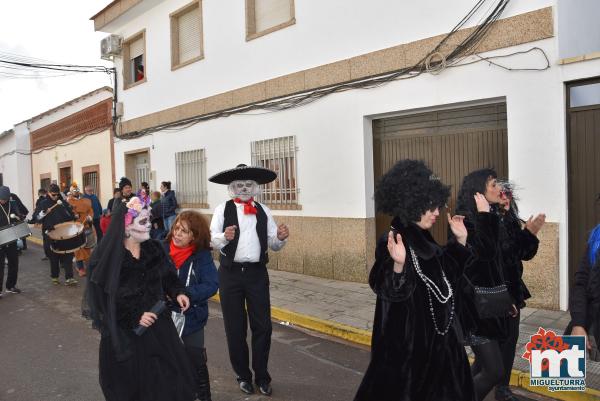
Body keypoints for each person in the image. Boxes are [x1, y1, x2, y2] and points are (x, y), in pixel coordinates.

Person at [354, 160, 475, 401]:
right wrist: (398, 265)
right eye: (431, 207)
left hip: (441, 347)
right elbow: (384, 287)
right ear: (413, 203)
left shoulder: (424, 239)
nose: (437, 213)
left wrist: (460, 242)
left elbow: (444, 277)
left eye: (437, 206)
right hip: (409, 353)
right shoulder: (393, 239)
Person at [83, 196, 196, 401]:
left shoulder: (154, 248)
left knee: (167, 382)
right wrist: (134, 317)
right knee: (134, 387)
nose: (149, 226)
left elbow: (168, 277)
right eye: (142, 222)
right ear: (126, 227)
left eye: (148, 220)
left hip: (158, 327)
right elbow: (103, 299)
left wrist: (178, 292)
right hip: (127, 335)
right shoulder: (109, 257)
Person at [209, 164, 289, 396]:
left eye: (248, 185)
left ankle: (262, 376)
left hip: (256, 273)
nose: (244, 189)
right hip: (230, 274)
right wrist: (224, 236)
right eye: (239, 185)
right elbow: (213, 239)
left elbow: (273, 242)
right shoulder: (222, 209)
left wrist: (281, 238)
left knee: (263, 326)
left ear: (254, 188)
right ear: (233, 188)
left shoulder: (263, 210)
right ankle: (243, 375)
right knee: (235, 328)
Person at [455, 169, 512, 401]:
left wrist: (507, 299)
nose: (499, 188)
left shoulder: (492, 218)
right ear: (478, 193)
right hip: (475, 310)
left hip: (492, 306)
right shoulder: (464, 222)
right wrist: (485, 216)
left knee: (482, 367)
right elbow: (483, 258)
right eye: (493, 185)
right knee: (495, 371)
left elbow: (500, 264)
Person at [493, 182, 545, 401]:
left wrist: (530, 236)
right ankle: (475, 383)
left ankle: (502, 388)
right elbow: (500, 256)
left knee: (509, 340)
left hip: (513, 290)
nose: (506, 199)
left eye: (509, 195)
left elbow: (523, 254)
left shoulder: (512, 222)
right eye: (502, 195)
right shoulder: (487, 222)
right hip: (493, 291)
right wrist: (527, 234)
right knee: (491, 346)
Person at [165, 211, 219, 401]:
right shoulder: (160, 251)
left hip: (192, 317)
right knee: (165, 361)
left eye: (184, 231)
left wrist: (187, 293)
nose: (178, 233)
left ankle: (202, 396)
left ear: (194, 236)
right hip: (163, 316)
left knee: (195, 359)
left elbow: (212, 284)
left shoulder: (201, 256)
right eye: (177, 228)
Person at [34, 183, 78, 286]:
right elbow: (35, 218)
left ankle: (69, 277)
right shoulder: (43, 203)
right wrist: (43, 213)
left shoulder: (62, 202)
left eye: (57, 194)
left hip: (64, 233)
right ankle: (55, 277)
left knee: (68, 255)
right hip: (50, 233)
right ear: (48, 193)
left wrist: (74, 216)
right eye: (53, 194)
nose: (55, 197)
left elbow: (70, 215)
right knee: (54, 257)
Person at [567, 223, 600, 358]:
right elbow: (581, 282)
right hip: (591, 321)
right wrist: (578, 324)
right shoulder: (597, 238)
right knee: (557, 374)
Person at [0, 186, 29, 297]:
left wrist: (19, 217)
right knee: (0, 266)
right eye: (2, 199)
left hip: (11, 238)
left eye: (5, 199)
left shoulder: (13, 204)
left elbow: (21, 215)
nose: (3, 201)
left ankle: (10, 286)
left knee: (14, 263)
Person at [67, 184, 95, 277]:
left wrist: (90, 216)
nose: (76, 191)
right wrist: (74, 216)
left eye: (77, 190)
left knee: (87, 247)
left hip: (86, 226)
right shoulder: (68, 201)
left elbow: (90, 210)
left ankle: (88, 267)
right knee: (78, 248)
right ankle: (80, 268)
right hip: (75, 227)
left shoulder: (86, 200)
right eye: (74, 190)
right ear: (71, 192)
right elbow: (68, 213)